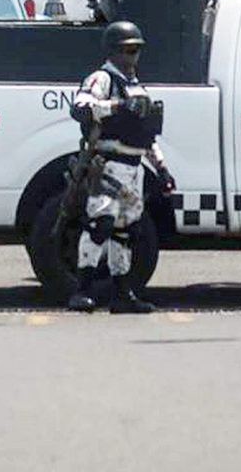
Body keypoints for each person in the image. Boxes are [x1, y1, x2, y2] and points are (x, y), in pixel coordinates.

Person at [66, 20, 176, 313]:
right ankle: (82, 289)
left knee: (127, 231)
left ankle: (122, 294)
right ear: (113, 51)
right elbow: (80, 107)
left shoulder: (136, 86)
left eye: (136, 51)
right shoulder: (103, 80)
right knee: (99, 225)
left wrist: (162, 168)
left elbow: (146, 134)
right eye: (127, 51)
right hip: (108, 164)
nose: (132, 57)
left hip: (134, 166)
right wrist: (116, 106)